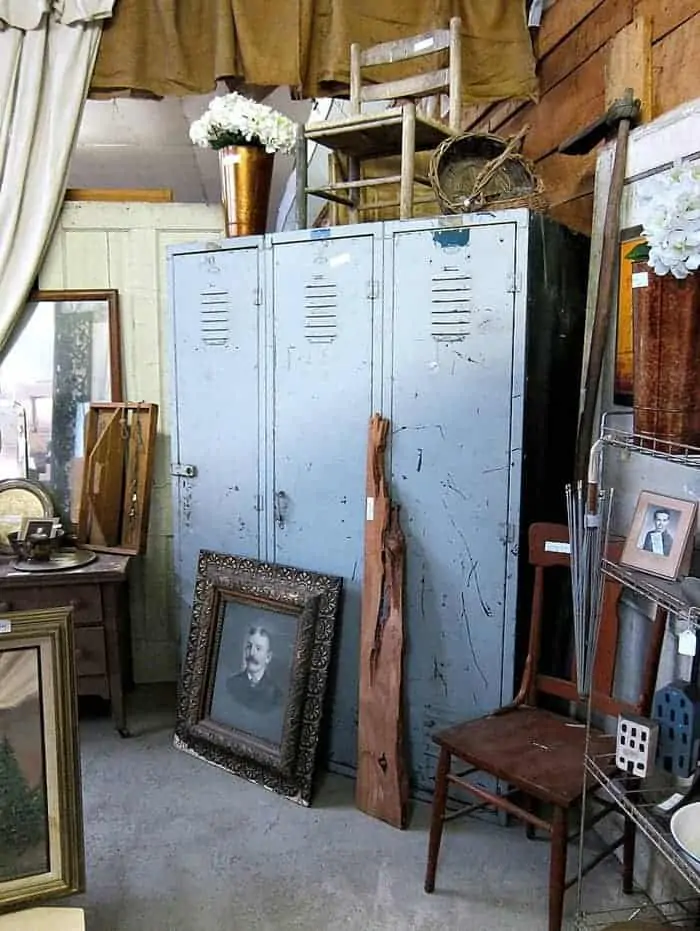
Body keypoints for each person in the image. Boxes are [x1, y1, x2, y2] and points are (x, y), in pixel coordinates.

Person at [226, 626, 283, 713]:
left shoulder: (276, 695)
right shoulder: (231, 684)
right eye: (249, 646)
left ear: (268, 657)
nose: (252, 653)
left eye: (258, 649)